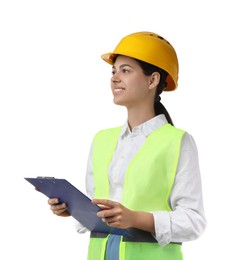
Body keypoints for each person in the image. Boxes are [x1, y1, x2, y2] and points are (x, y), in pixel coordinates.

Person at [48, 31, 207, 260]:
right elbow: (98, 211)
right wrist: (72, 209)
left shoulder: (178, 142)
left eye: (125, 70)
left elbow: (194, 221)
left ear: (152, 80)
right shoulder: (101, 140)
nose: (114, 78)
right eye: (113, 71)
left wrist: (135, 218)